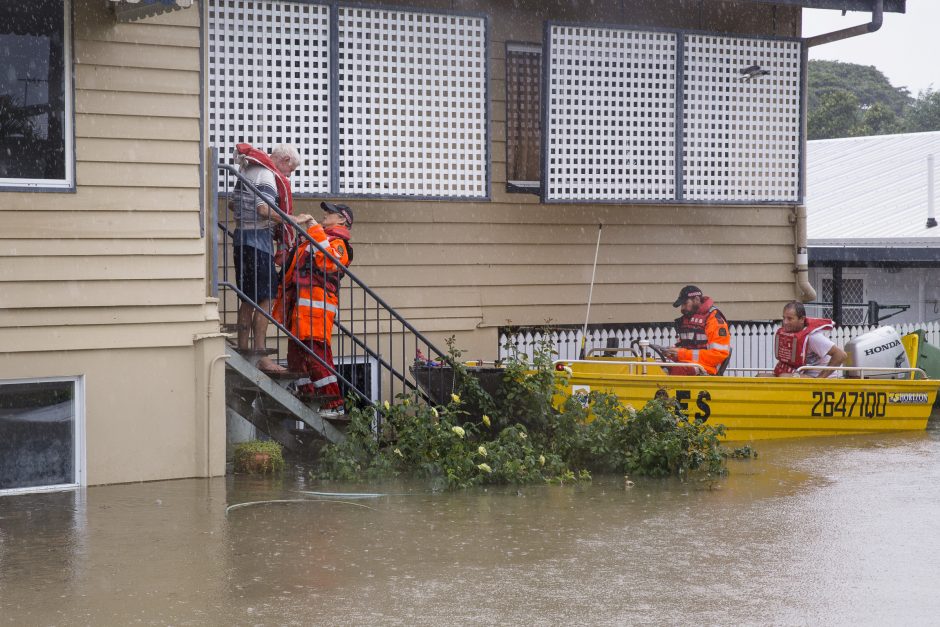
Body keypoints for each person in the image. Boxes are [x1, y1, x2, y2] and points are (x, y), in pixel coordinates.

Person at [230, 143, 313, 373]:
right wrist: (291, 220)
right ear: (285, 160)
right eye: (291, 171)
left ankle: (244, 348)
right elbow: (263, 209)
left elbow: (232, 203)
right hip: (258, 242)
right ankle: (260, 355)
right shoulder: (267, 174)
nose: (288, 176)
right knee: (266, 298)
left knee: (248, 298)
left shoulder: (248, 169)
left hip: (241, 239)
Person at [276, 202, 354, 417]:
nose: (325, 215)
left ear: (343, 220)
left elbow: (331, 263)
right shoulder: (315, 237)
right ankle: (307, 395)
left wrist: (313, 228)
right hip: (300, 309)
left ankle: (334, 404)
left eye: (331, 213)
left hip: (316, 310)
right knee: (296, 357)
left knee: (318, 355)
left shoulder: (337, 243)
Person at [662, 285, 731, 375]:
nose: (682, 309)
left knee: (677, 371)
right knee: (659, 369)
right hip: (690, 365)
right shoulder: (687, 320)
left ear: (696, 299)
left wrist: (681, 354)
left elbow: (718, 355)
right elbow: (686, 347)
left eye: (685, 303)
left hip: (708, 369)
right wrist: (672, 352)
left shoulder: (713, 319)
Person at [774, 301, 846, 378]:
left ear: (802, 319)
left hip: (820, 379)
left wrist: (819, 380)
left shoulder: (813, 337)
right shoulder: (791, 335)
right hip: (805, 375)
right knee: (762, 375)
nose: (785, 322)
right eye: (784, 318)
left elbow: (841, 355)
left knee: (783, 377)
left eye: (789, 319)